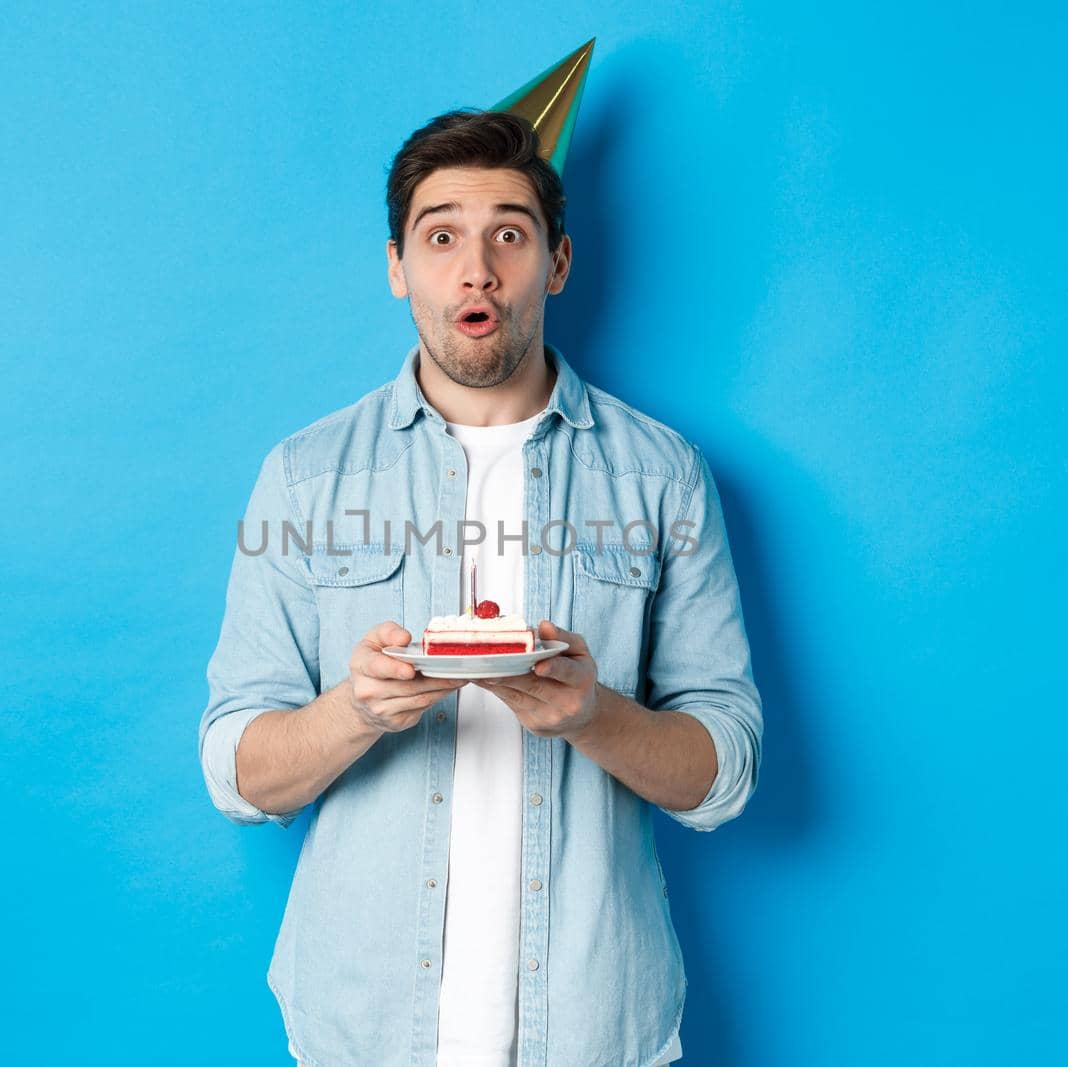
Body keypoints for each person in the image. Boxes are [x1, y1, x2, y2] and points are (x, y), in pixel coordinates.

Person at [200, 106, 762, 1067]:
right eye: (441, 235)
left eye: (510, 232)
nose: (476, 268)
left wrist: (591, 713)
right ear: (396, 267)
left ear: (559, 262)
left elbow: (726, 773)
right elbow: (237, 773)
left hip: (595, 1030)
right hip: (362, 1031)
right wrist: (359, 708)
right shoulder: (303, 477)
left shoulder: (663, 477)